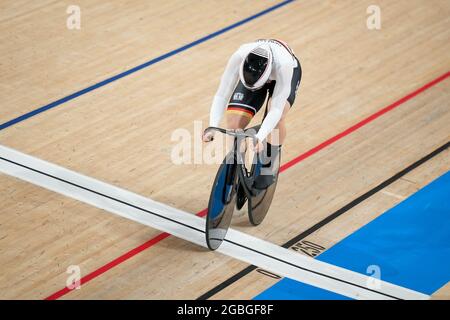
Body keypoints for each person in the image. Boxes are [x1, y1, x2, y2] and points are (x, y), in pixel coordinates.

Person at [203, 39, 302, 189]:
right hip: (255, 77)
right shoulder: (239, 55)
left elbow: (275, 109)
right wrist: (213, 125)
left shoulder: (284, 65)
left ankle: (269, 165)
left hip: (286, 76)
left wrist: (260, 136)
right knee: (234, 124)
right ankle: (236, 164)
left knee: (277, 117)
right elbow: (222, 94)